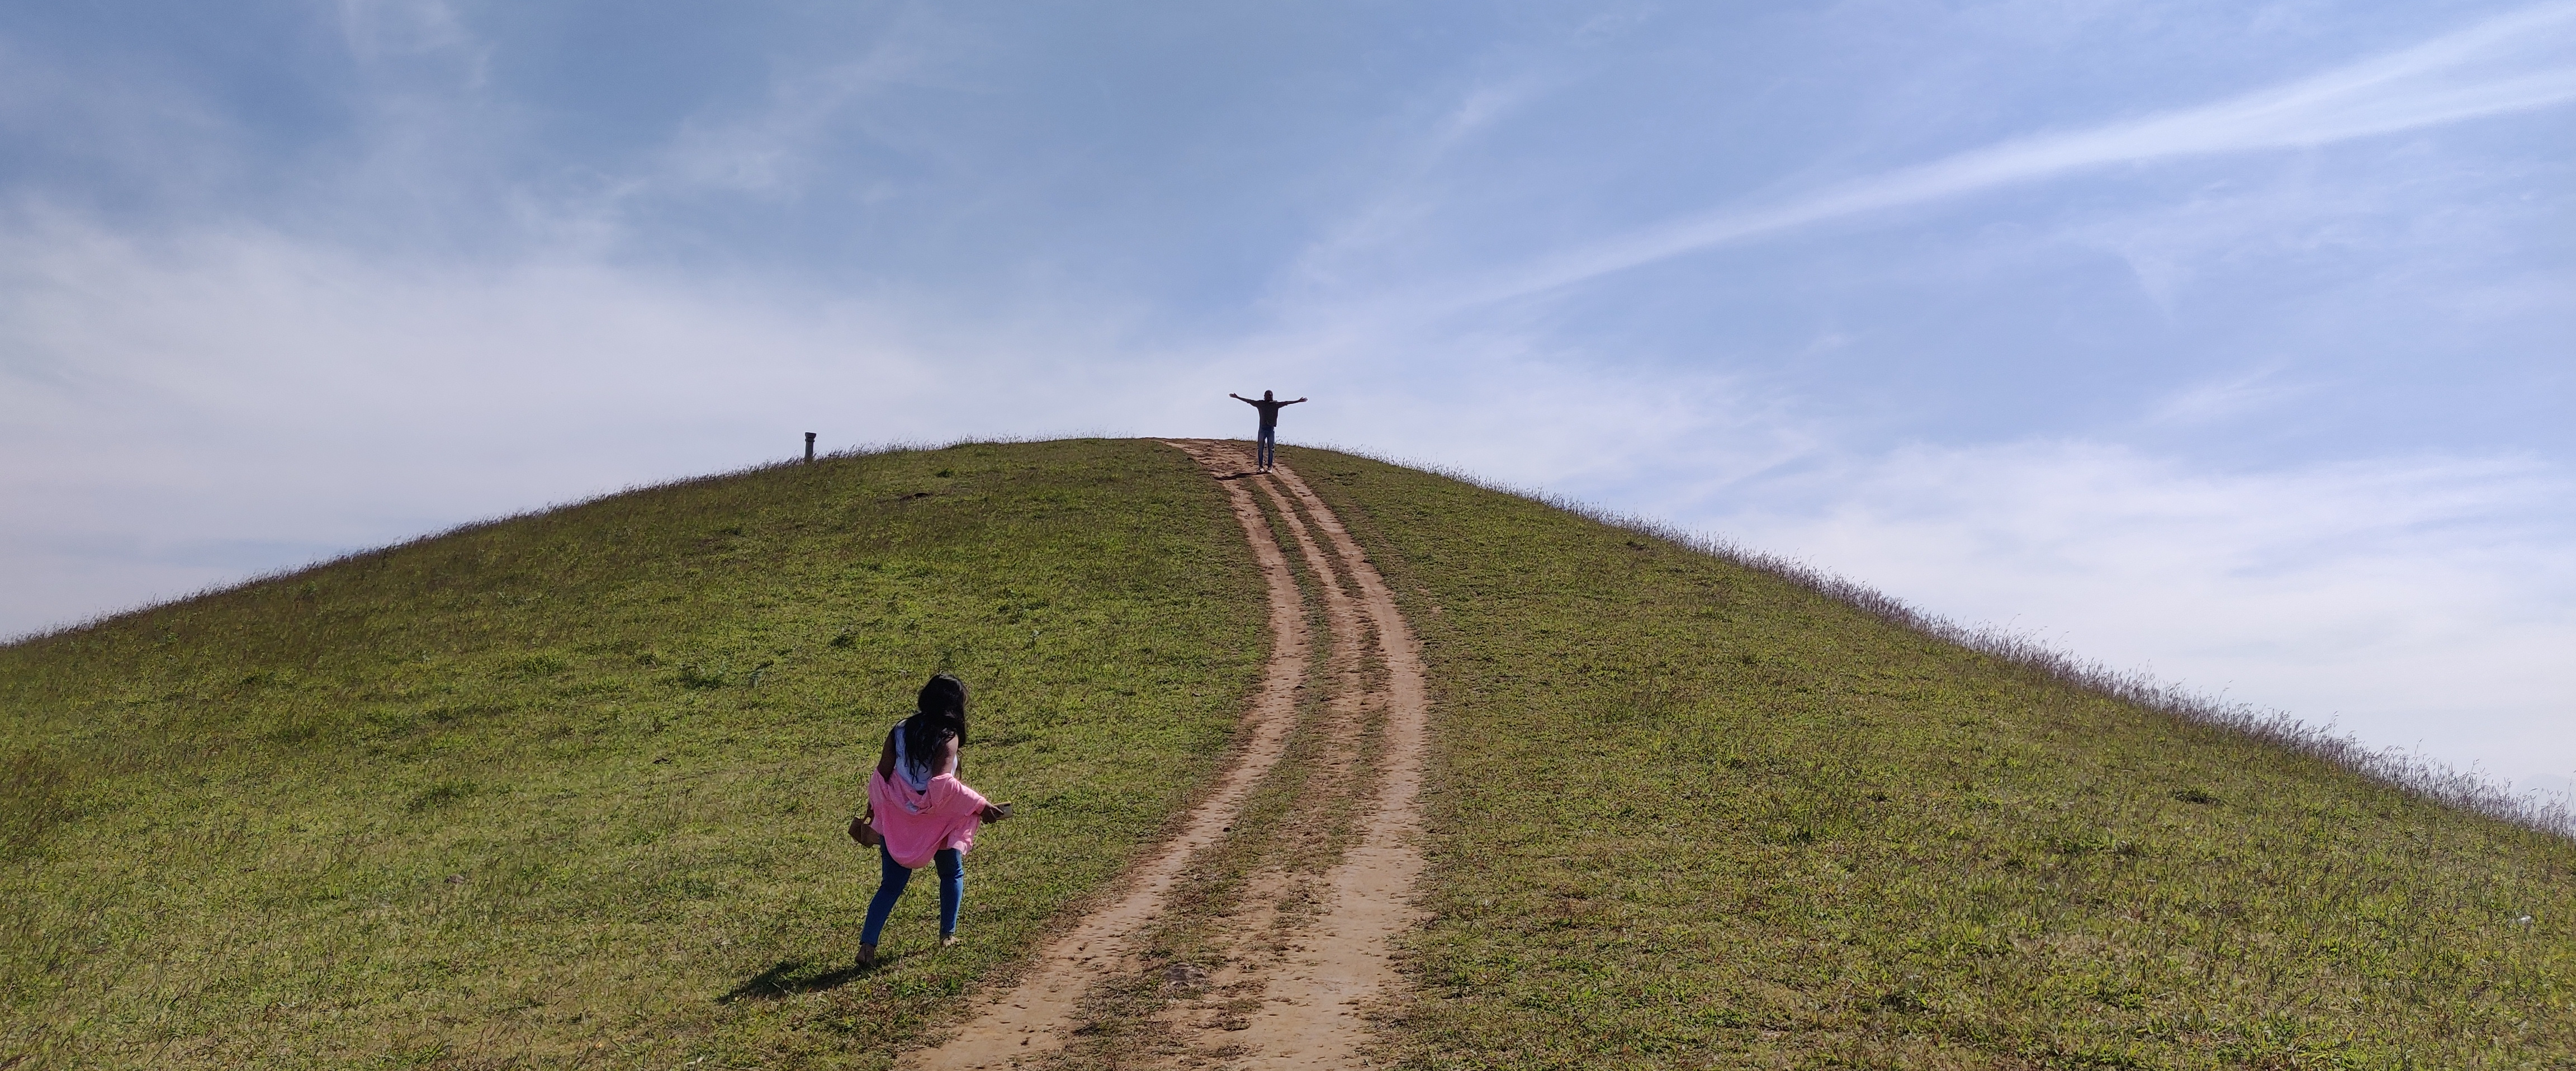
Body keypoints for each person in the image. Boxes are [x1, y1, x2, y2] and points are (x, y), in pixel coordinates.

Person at [850, 674, 1008, 968]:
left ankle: (867, 946)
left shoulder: (900, 729)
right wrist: (980, 804)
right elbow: (941, 785)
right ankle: (947, 936)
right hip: (941, 820)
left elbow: (882, 775)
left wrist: (877, 811)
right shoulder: (947, 737)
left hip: (902, 821)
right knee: (951, 874)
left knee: (890, 886)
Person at [1229, 390, 1307, 473]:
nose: (1269, 397)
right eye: (1268, 395)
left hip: (1271, 429)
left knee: (1271, 449)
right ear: (1264, 396)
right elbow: (1249, 401)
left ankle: (1270, 468)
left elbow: (1286, 403)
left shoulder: (1275, 404)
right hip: (1262, 429)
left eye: (1270, 395)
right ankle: (1261, 468)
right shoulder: (1261, 404)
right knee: (1261, 449)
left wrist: (1298, 401)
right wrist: (1238, 397)